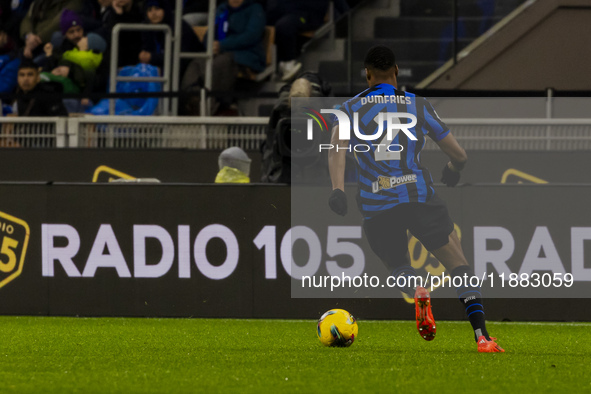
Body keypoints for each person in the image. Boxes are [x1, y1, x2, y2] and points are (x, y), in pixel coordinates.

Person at [327, 45, 504, 353]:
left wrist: (338, 189)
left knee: (398, 266)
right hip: (419, 196)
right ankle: (482, 337)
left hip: (377, 202)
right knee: (458, 263)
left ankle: (419, 289)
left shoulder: (348, 109)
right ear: (396, 73)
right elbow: (459, 154)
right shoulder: (417, 105)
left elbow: (336, 148)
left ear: (367, 75)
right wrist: (453, 169)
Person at [180, 0, 265, 115]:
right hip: (219, 53)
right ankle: (193, 100)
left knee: (220, 63)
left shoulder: (255, 9)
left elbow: (251, 36)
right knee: (196, 63)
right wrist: (210, 44)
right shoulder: (222, 9)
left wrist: (222, 45)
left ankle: (212, 105)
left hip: (245, 55)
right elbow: (209, 33)